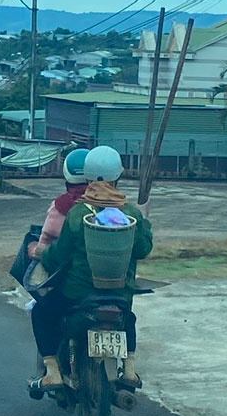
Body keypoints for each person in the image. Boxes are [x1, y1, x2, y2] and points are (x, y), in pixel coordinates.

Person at [28, 146, 152, 389]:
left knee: (41, 313)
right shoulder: (131, 214)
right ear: (118, 176)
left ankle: (52, 372)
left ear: (87, 176)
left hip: (78, 295)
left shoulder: (77, 214)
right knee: (128, 317)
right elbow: (143, 250)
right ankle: (129, 370)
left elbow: (58, 256)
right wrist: (145, 225)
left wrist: (42, 254)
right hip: (120, 294)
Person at [27, 148, 90, 260]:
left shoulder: (60, 205)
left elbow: (45, 241)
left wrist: (32, 249)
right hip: (90, 256)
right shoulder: (106, 202)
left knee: (30, 241)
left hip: (63, 261)